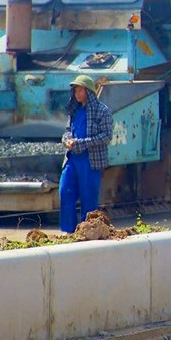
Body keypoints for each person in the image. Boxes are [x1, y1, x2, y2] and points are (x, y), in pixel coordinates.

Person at [59, 74, 113, 233]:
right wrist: (67, 140)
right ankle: (68, 231)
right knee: (65, 191)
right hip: (72, 160)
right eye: (75, 90)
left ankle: (88, 232)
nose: (77, 94)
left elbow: (106, 135)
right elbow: (67, 132)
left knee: (88, 198)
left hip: (91, 161)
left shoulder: (102, 111)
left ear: (88, 92)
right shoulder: (74, 111)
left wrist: (82, 143)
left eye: (80, 90)